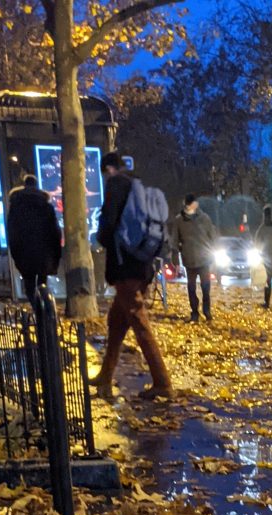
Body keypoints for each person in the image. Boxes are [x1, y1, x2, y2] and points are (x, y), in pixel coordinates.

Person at [89, 152, 173, 400]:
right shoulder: (140, 186)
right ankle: (106, 374)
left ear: (109, 169)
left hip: (125, 265)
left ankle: (162, 382)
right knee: (116, 322)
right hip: (143, 264)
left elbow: (108, 225)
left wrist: (102, 238)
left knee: (138, 320)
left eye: (105, 172)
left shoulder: (117, 185)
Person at [7, 175, 62, 301]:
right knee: (42, 282)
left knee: (29, 283)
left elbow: (12, 232)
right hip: (45, 251)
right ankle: (44, 309)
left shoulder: (16, 207)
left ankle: (36, 310)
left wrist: (16, 252)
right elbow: (55, 231)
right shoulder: (46, 206)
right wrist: (55, 255)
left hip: (24, 251)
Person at [170, 194, 217, 322]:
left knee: (205, 288)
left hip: (204, 259)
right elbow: (175, 240)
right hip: (189, 259)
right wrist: (175, 259)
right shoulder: (179, 220)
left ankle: (207, 311)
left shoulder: (204, 218)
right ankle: (194, 312)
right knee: (191, 288)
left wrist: (213, 254)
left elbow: (212, 237)